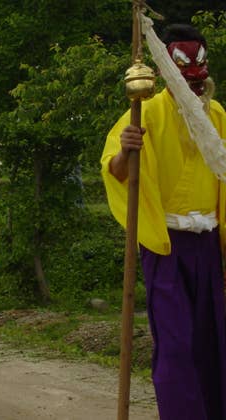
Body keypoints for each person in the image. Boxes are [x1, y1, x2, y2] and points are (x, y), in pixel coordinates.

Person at [101, 24, 226, 420]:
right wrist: (126, 151)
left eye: (199, 72)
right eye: (185, 72)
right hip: (166, 244)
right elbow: (116, 171)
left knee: (212, 339)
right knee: (175, 342)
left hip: (208, 244)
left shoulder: (218, 115)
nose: (194, 82)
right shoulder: (145, 113)